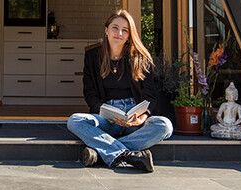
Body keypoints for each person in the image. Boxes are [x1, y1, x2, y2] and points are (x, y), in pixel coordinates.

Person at [67, 9, 173, 172]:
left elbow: (150, 95)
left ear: (130, 35)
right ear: (106, 30)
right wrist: (103, 114)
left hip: (134, 117)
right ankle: (128, 154)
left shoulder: (140, 58)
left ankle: (103, 152)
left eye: (125, 30)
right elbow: (90, 93)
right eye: (115, 28)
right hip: (107, 118)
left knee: (165, 125)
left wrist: (142, 118)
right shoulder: (92, 56)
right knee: (75, 121)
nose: (119, 33)